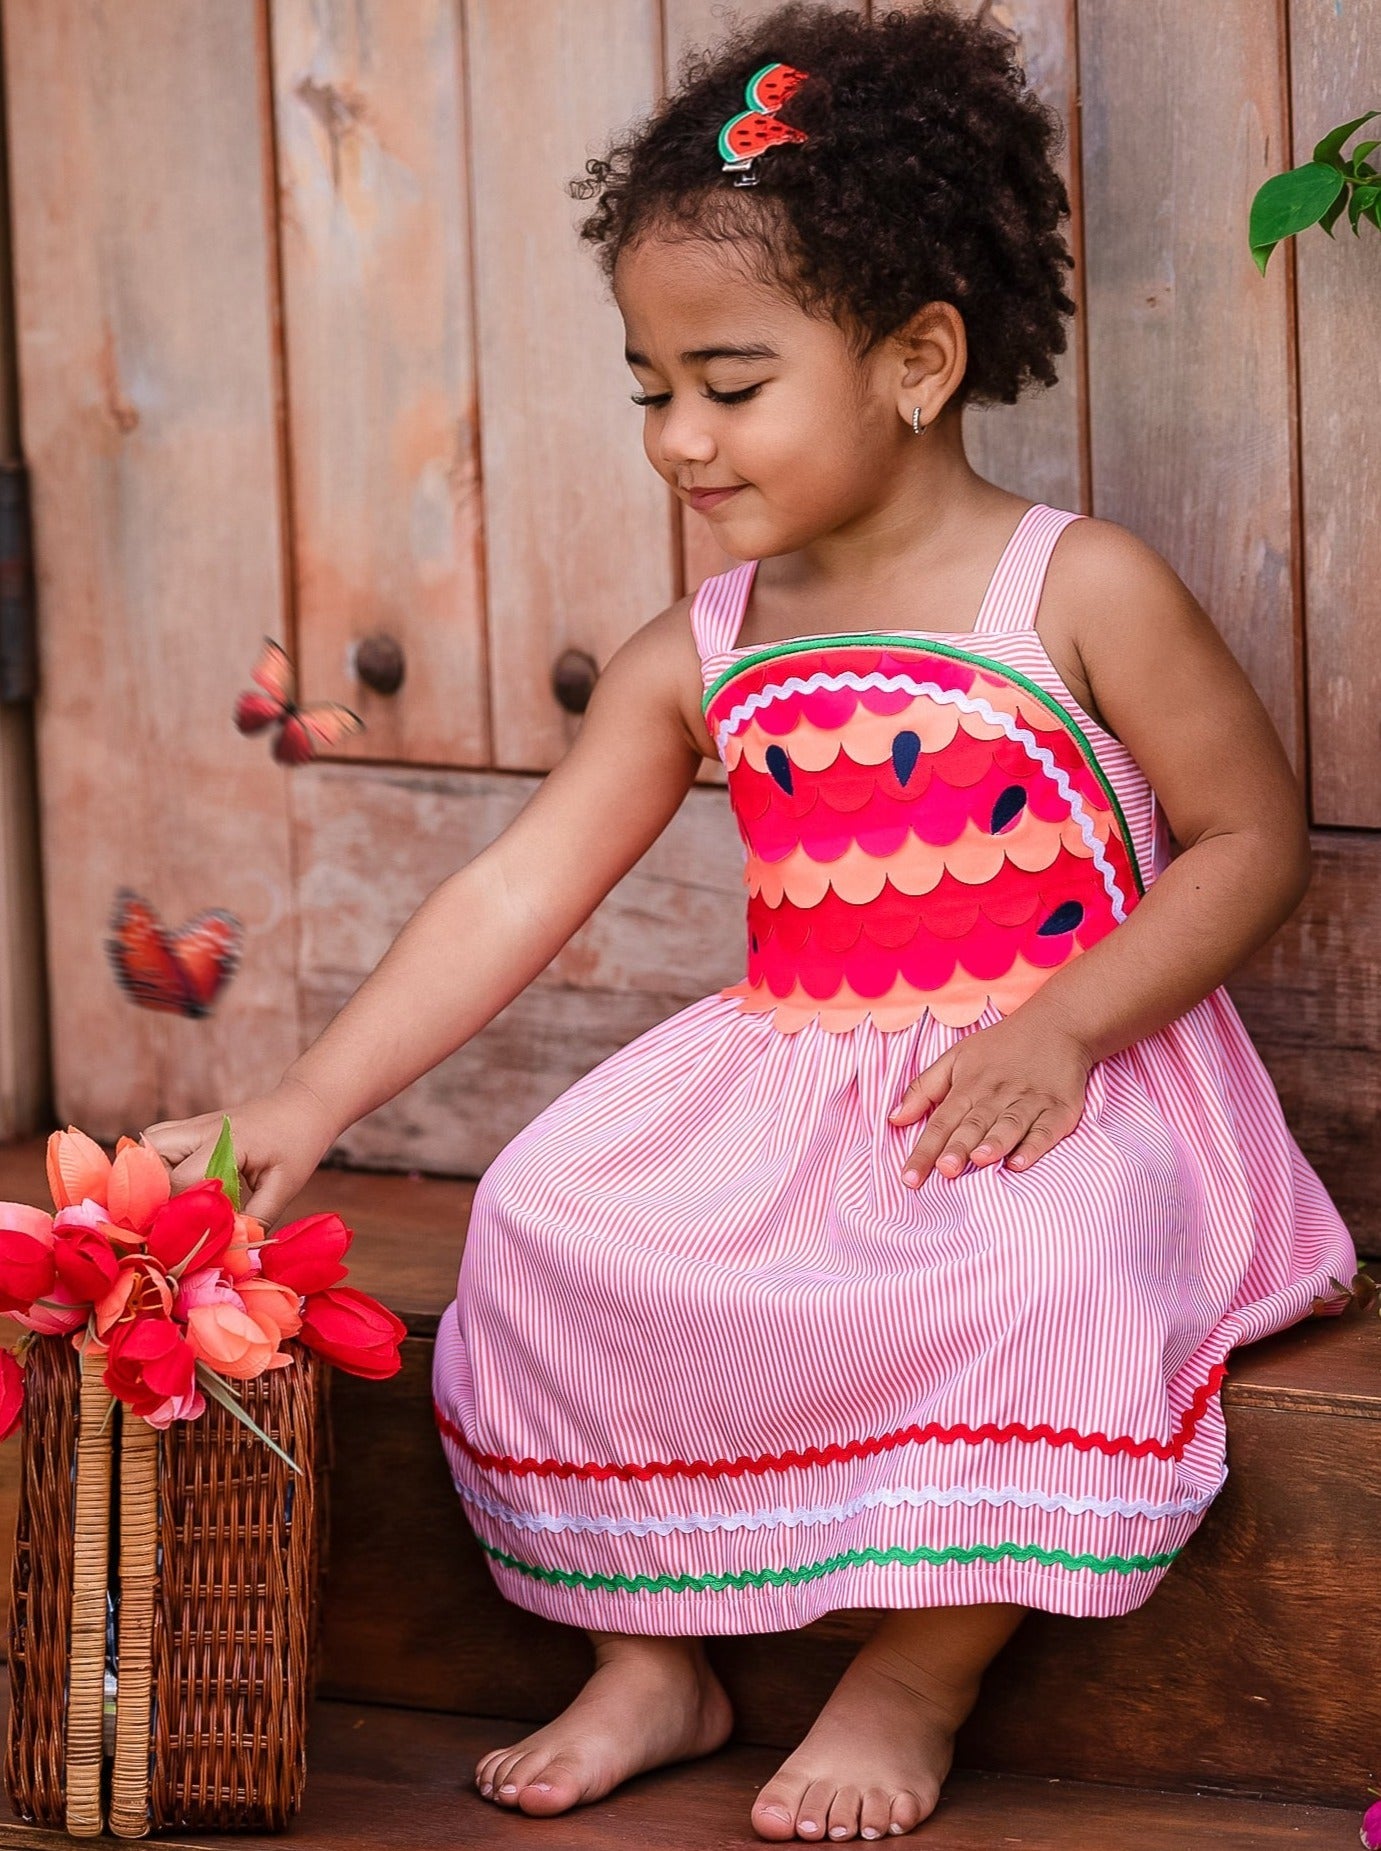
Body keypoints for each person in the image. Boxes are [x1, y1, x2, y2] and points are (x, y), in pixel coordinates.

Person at [142, 2, 1359, 1841]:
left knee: (1046, 1268)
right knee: (550, 1226)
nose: (679, 439)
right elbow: (513, 888)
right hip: (794, 1075)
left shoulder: (1072, 589)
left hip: (1053, 1076)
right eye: (650, 388)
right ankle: (654, 1650)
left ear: (918, 358)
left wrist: (1065, 1028)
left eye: (730, 381)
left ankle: (914, 1670)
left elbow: (1247, 838)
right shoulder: (705, 649)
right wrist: (303, 1108)